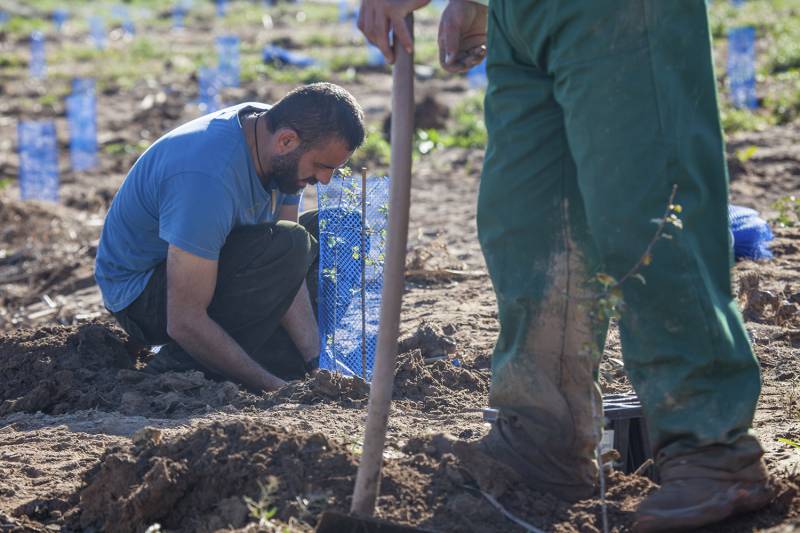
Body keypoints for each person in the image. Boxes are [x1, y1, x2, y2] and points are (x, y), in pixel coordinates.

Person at [359, 1, 773, 531]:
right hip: (520, 18)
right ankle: (544, 440)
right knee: (528, 222)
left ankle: (710, 446)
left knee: (644, 212)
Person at [95, 82, 365, 392]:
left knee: (344, 232)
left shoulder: (275, 140)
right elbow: (183, 318)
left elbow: (292, 276)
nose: (325, 180)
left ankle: (268, 362)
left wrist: (318, 361)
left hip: (214, 256)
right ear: (286, 141)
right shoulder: (206, 178)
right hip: (143, 295)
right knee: (288, 245)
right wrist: (273, 388)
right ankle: (181, 365)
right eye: (321, 166)